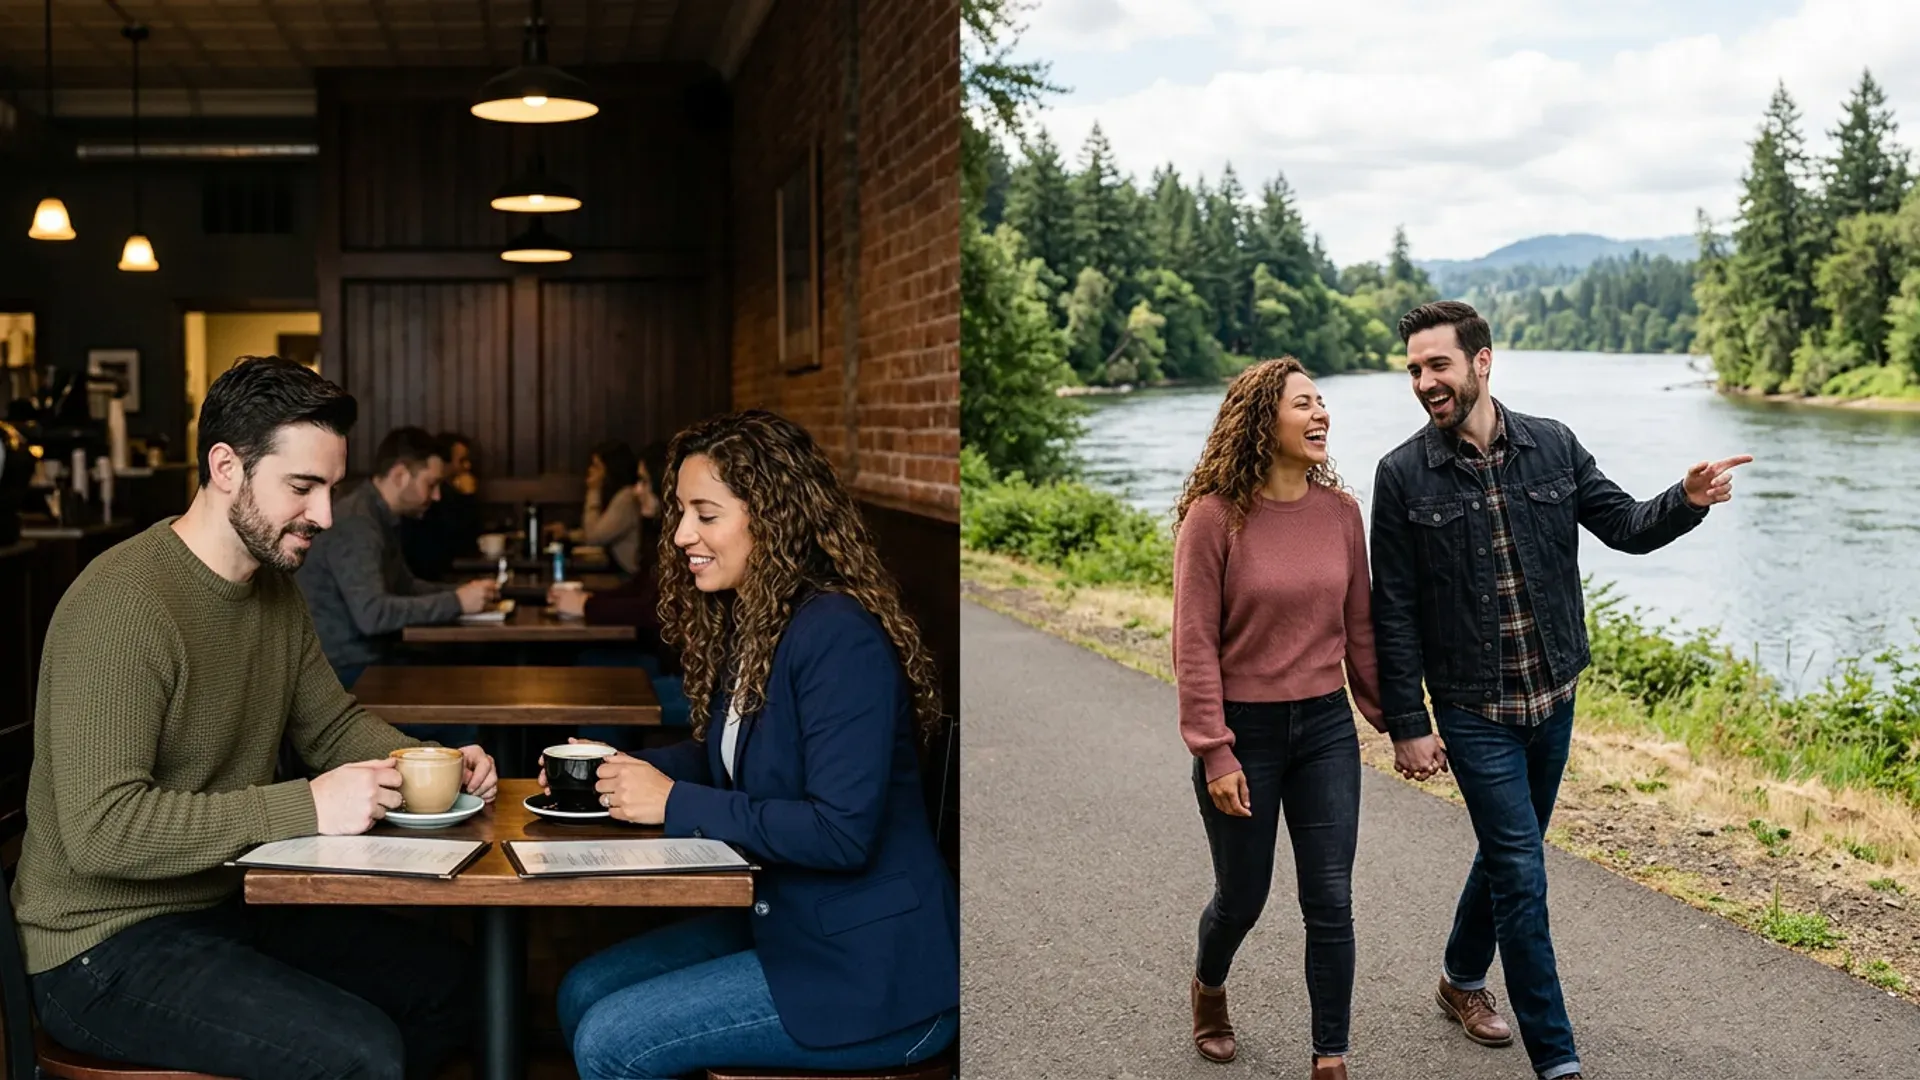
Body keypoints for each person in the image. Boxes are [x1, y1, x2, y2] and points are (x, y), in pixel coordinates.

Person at [11, 355, 499, 1079]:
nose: (325, 517)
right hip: (99, 948)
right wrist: (305, 805)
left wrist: (430, 761)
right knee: (362, 1052)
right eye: (302, 488)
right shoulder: (123, 604)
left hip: (227, 904)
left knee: (459, 988)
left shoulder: (275, 593)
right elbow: (100, 833)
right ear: (226, 467)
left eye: (331, 490)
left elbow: (332, 729)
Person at [1370, 301, 1750, 1080]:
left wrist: (1686, 499)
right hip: (1474, 709)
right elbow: (1395, 609)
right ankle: (1559, 1062)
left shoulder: (1553, 445)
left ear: (1481, 362)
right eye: (1413, 369)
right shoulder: (1402, 475)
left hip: (1553, 698)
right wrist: (1408, 721)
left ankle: (1460, 981)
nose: (1424, 382)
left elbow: (1627, 525)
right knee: (1521, 873)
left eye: (1437, 364)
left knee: (1511, 856)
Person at [547, 410, 958, 1079]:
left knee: (610, 1039)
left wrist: (674, 802)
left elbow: (841, 832)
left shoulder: (837, 635)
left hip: (879, 974)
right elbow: (730, 766)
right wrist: (621, 770)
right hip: (792, 918)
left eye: (705, 514)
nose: (682, 535)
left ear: (770, 516)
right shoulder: (759, 617)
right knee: (581, 991)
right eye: (681, 513)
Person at [1171, 357, 1384, 1080]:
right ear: (1264, 420)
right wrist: (1214, 750)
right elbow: (1194, 643)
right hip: (1244, 733)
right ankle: (1209, 987)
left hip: (1325, 728)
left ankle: (1331, 1058)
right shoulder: (1213, 518)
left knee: (1330, 897)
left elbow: (1360, 629)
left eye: (1323, 402)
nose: (1321, 414)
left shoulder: (1342, 514)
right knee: (1243, 897)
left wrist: (1398, 719)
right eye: (1304, 404)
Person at [296, 425, 499, 691]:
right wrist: (457, 602)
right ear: (401, 475)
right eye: (432, 484)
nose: (437, 496)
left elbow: (407, 586)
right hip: (345, 675)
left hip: (372, 660)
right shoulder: (358, 523)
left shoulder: (377, 515)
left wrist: (464, 593)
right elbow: (372, 615)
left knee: (474, 671)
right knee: (473, 692)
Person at [547, 439, 691, 731]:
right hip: (670, 664)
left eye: (643, 481)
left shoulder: (685, 541)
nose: (636, 490)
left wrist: (588, 605)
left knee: (598, 694)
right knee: (587, 668)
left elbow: (654, 609)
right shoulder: (661, 535)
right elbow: (643, 588)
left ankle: (598, 769)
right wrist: (589, 599)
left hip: (686, 679)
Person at [551, 440, 645, 575]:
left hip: (628, 575)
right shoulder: (620, 495)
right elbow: (601, 530)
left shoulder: (627, 498)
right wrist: (568, 535)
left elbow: (594, 537)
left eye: (596, 466)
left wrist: (593, 491)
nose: (590, 471)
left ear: (610, 469)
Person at [399, 431, 483, 582]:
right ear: (444, 463)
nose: (468, 466)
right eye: (462, 461)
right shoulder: (427, 500)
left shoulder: (446, 493)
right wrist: (467, 498)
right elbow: (461, 542)